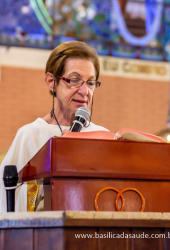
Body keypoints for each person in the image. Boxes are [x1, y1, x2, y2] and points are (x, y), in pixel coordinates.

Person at [0, 41, 109, 212]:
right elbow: (6, 200)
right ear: (52, 82)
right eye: (75, 80)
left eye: (90, 83)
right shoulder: (30, 136)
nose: (84, 91)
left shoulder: (103, 137)